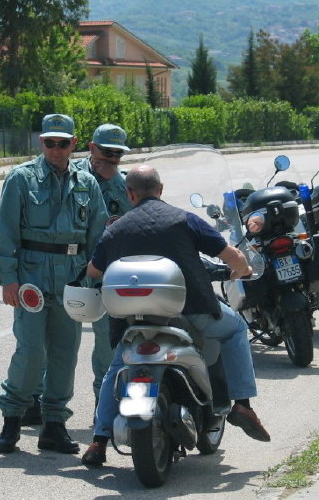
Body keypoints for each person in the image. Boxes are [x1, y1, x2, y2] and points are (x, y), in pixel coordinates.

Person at [80, 164, 271, 466]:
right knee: (235, 331)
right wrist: (242, 270)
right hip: (190, 310)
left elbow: (94, 270)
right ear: (161, 189)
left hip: (134, 319)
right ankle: (243, 404)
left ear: (130, 194)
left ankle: (99, 441)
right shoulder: (184, 220)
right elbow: (232, 256)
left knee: (116, 367)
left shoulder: (115, 229)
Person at [0, 113, 108, 454]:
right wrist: (7, 279)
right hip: (32, 278)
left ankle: (54, 425)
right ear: (42, 143)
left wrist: (96, 276)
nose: (56, 149)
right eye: (50, 142)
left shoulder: (86, 183)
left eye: (63, 143)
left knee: (64, 353)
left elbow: (98, 234)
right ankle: (12, 419)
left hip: (72, 276)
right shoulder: (21, 179)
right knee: (30, 352)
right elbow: (5, 233)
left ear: (73, 144)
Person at [20, 123, 132, 426]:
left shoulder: (125, 184)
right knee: (51, 339)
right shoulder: (71, 174)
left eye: (117, 155)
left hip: (107, 273)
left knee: (108, 342)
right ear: (91, 148)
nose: (109, 159)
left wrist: (118, 186)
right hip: (68, 269)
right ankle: (37, 399)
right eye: (105, 152)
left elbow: (137, 220)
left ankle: (103, 402)